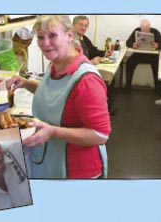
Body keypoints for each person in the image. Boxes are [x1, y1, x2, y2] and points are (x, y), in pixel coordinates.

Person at [6, 15, 111, 179]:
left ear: (69, 36)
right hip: (51, 160)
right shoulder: (55, 63)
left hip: (77, 170)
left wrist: (53, 131)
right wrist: (26, 83)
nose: (45, 43)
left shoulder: (87, 80)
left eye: (52, 35)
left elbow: (100, 135)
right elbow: (57, 93)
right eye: (40, 37)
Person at [125, 19, 161, 94]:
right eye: (143, 31)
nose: (145, 32)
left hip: (152, 55)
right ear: (140, 28)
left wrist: (157, 45)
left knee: (158, 65)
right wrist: (133, 44)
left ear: (150, 27)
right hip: (138, 54)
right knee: (129, 62)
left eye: (147, 30)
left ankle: (158, 89)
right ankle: (128, 86)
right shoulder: (136, 30)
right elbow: (128, 42)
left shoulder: (155, 31)